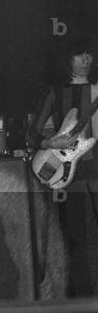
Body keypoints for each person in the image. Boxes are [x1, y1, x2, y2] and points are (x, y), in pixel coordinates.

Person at [27, 34, 98, 297]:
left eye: (89, 54)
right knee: (76, 241)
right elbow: (31, 134)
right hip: (70, 173)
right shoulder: (55, 93)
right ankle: (83, 299)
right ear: (67, 60)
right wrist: (50, 142)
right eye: (80, 54)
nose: (86, 59)